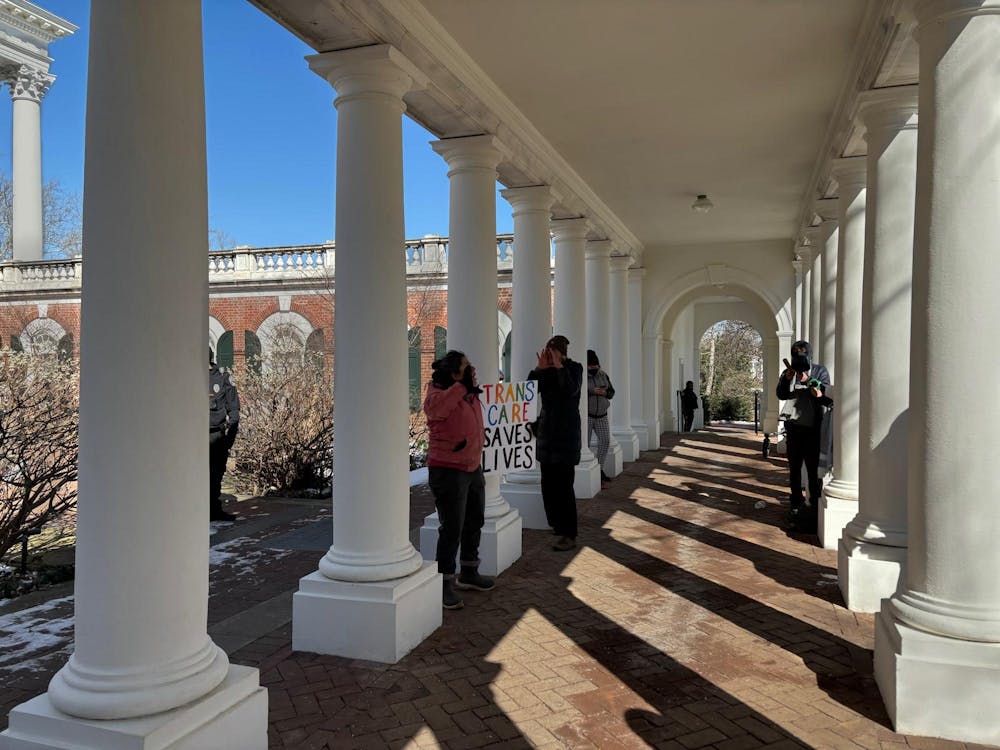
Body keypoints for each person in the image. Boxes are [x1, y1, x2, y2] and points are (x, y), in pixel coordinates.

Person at [424, 350, 495, 610]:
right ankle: (445, 583)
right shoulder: (438, 393)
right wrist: (459, 387)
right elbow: (435, 411)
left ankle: (469, 571)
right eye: (467, 367)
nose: (473, 370)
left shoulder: (466, 391)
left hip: (472, 466)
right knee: (452, 527)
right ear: (454, 373)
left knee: (474, 519)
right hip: (448, 470)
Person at [528, 335, 584, 552]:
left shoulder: (575, 369)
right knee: (548, 486)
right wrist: (538, 369)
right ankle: (557, 525)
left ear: (561, 353)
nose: (549, 355)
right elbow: (528, 394)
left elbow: (571, 390)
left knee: (564, 487)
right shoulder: (546, 372)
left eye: (553, 352)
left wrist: (559, 366)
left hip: (566, 436)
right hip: (547, 435)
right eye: (547, 351)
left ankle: (569, 533)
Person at [776, 339, 831, 532]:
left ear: (809, 355)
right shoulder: (788, 372)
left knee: (813, 467)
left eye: (802, 355)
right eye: (796, 356)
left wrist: (808, 381)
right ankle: (796, 503)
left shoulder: (819, 371)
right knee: (794, 467)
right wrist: (786, 378)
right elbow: (781, 395)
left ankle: (815, 505)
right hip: (793, 426)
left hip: (813, 427)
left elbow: (825, 395)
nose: (799, 359)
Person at [209, 349, 240, 522]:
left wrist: (230, 438)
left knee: (216, 473)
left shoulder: (222, 377)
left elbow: (234, 409)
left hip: (216, 434)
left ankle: (213, 510)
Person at [586, 349, 615, 489]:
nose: (593, 368)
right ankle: (588, 471)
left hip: (602, 415)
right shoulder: (582, 376)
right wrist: (592, 391)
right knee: (584, 444)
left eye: (595, 365)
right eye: (590, 366)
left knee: (605, 441)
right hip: (587, 416)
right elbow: (577, 393)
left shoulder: (603, 375)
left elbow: (612, 392)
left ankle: (599, 469)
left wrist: (605, 392)